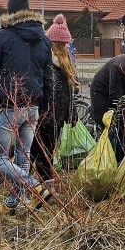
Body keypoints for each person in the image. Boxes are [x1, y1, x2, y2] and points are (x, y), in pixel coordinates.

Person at [0, 0, 53, 214]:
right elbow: (48, 76)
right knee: (23, 157)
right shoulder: (43, 38)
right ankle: (14, 202)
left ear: (10, 10)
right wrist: (46, 104)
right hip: (33, 106)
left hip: (11, 106)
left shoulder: (2, 36)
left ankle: (35, 187)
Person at [31, 14, 79, 180]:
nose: (68, 47)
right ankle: (43, 182)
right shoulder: (50, 62)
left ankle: (36, 179)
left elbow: (67, 93)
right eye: (65, 44)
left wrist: (71, 114)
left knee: (43, 149)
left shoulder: (62, 62)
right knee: (43, 149)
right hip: (49, 114)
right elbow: (53, 92)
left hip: (53, 115)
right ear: (58, 44)